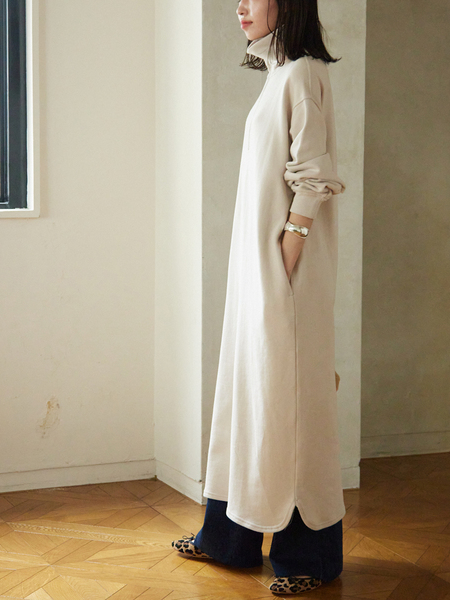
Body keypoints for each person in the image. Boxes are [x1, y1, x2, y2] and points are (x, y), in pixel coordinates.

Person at [172, 0, 346, 594]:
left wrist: (285, 257)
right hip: (259, 273)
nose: (240, 7)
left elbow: (313, 175)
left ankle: (309, 559)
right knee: (248, 399)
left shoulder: (303, 73)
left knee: (291, 408)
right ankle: (229, 539)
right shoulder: (279, 75)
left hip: (284, 276)